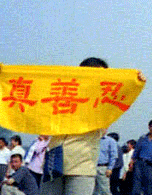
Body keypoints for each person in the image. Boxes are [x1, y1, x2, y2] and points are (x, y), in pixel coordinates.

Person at [40, 57, 115, 195]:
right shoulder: (62, 93)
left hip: (82, 165)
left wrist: (136, 81)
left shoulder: (104, 101)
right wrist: (5, 77)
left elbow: (124, 94)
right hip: (54, 161)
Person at [94, 130, 118, 195]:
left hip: (102, 168)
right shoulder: (92, 140)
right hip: (91, 167)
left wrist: (110, 168)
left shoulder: (110, 141)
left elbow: (113, 156)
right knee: (93, 190)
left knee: (105, 190)